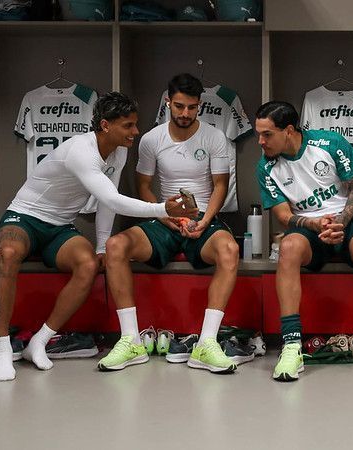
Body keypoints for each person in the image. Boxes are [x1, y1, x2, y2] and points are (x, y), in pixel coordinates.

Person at [0, 92, 196, 381]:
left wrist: (101, 246)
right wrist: (163, 208)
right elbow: (113, 199)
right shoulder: (81, 151)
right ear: (105, 125)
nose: (135, 132)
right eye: (128, 125)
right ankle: (0, 349)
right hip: (25, 217)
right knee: (8, 255)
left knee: (88, 265)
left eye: (135, 125)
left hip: (60, 227)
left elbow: (105, 202)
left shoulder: (119, 149)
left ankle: (39, 341)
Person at [100, 74, 240, 373]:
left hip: (201, 219)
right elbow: (145, 187)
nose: (185, 113)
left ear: (199, 106)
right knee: (115, 246)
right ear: (168, 102)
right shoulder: (151, 138)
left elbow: (219, 186)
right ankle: (130, 341)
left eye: (192, 107)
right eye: (179, 106)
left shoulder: (215, 137)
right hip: (164, 218)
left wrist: (204, 221)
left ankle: (206, 344)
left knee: (229, 249)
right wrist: (164, 216)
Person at [254, 101, 353, 383]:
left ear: (288, 130)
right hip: (308, 226)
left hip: (346, 218)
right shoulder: (265, 167)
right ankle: (292, 344)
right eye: (259, 134)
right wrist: (314, 223)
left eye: (267, 134)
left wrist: (340, 223)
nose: (261, 141)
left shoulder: (330, 143)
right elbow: (284, 216)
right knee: (288, 247)